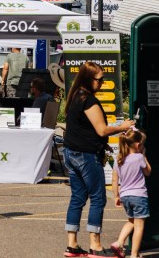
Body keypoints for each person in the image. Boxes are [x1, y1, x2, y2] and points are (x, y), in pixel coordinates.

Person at [63, 61, 135, 257]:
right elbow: (102, 130)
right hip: (85, 155)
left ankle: (72, 245)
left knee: (77, 198)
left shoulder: (75, 96)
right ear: (89, 79)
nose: (102, 82)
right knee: (98, 197)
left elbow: (84, 128)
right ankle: (95, 245)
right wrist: (122, 127)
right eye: (100, 79)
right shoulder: (88, 100)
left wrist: (104, 143)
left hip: (71, 152)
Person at [111, 129, 151, 258]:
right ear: (138, 145)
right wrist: (144, 155)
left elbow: (114, 179)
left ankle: (119, 242)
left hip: (125, 195)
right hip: (139, 195)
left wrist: (116, 196)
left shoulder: (119, 159)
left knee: (131, 221)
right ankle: (134, 255)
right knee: (139, 226)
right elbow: (148, 172)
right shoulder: (139, 157)